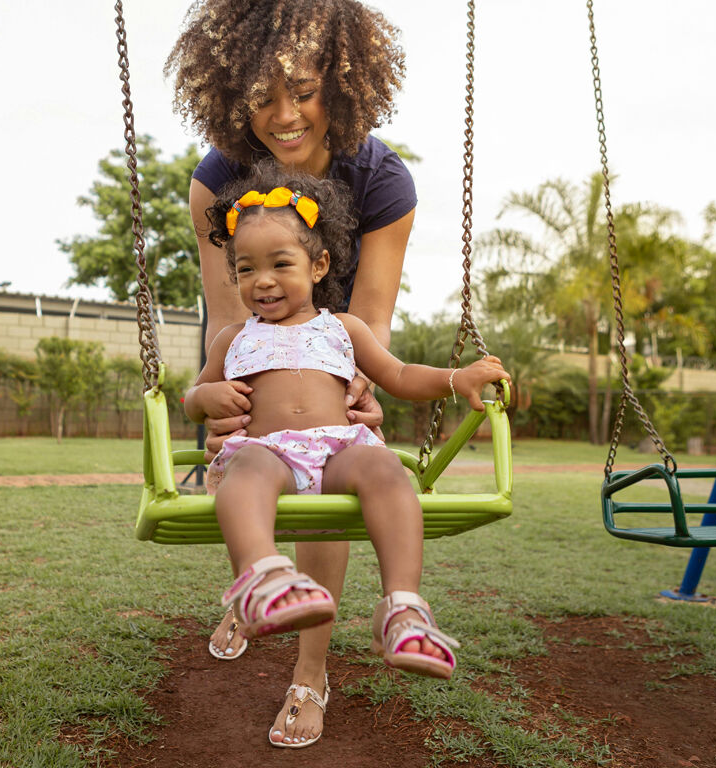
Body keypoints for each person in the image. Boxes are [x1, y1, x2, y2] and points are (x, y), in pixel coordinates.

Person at [184, 164, 510, 748]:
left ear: (319, 266)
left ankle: (404, 609)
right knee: (244, 471)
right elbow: (194, 397)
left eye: (280, 264)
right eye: (246, 268)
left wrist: (457, 376)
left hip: (339, 449)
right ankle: (263, 577)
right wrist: (205, 396)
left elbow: (402, 374)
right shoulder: (231, 340)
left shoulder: (344, 328)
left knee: (386, 467)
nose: (262, 281)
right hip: (267, 451)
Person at [165, 0, 420, 748]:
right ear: (232, 95)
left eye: (303, 90)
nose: (283, 115)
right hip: (254, 338)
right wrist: (225, 393)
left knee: (333, 462)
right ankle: (261, 577)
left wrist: (359, 388)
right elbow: (226, 314)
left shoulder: (381, 181)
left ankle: (311, 674)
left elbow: (368, 320)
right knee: (249, 456)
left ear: (338, 87)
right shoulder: (218, 180)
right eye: (261, 96)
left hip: (336, 333)